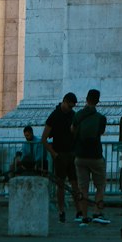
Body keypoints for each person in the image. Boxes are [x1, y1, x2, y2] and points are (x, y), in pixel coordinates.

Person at [42, 90, 81, 223]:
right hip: (60, 154)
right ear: (64, 102)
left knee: (75, 184)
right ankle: (61, 210)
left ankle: (78, 210)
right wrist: (54, 154)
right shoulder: (54, 116)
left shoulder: (73, 115)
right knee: (61, 185)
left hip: (71, 153)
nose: (71, 109)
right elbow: (44, 139)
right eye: (69, 106)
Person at [73, 89, 109, 226]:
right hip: (95, 155)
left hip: (80, 155)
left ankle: (84, 216)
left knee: (83, 188)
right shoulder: (101, 118)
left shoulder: (78, 115)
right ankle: (97, 213)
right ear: (98, 101)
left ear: (86, 99)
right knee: (100, 186)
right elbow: (100, 132)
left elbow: (73, 130)